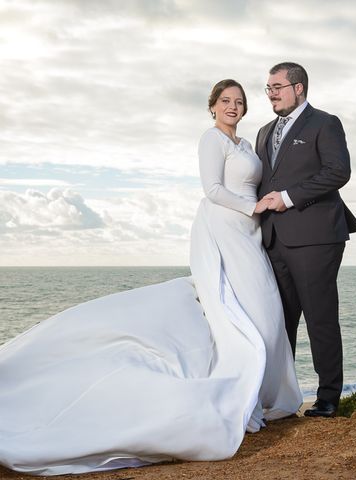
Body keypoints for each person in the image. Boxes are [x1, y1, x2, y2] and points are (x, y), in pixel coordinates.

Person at [0, 79, 302, 476]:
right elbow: (212, 189)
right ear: (212, 107)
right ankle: (241, 392)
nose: (233, 106)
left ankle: (262, 395)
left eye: (240, 101)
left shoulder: (246, 145)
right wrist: (255, 207)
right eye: (225, 101)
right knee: (244, 307)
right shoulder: (210, 140)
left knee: (264, 310)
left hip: (249, 233)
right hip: (225, 226)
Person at [256, 62, 356, 418]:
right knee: (279, 321)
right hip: (272, 238)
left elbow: (338, 172)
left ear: (298, 88)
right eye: (268, 87)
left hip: (317, 237)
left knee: (319, 318)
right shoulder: (263, 131)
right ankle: (282, 398)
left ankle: (329, 398)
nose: (271, 92)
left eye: (277, 86)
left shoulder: (324, 123)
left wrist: (287, 197)